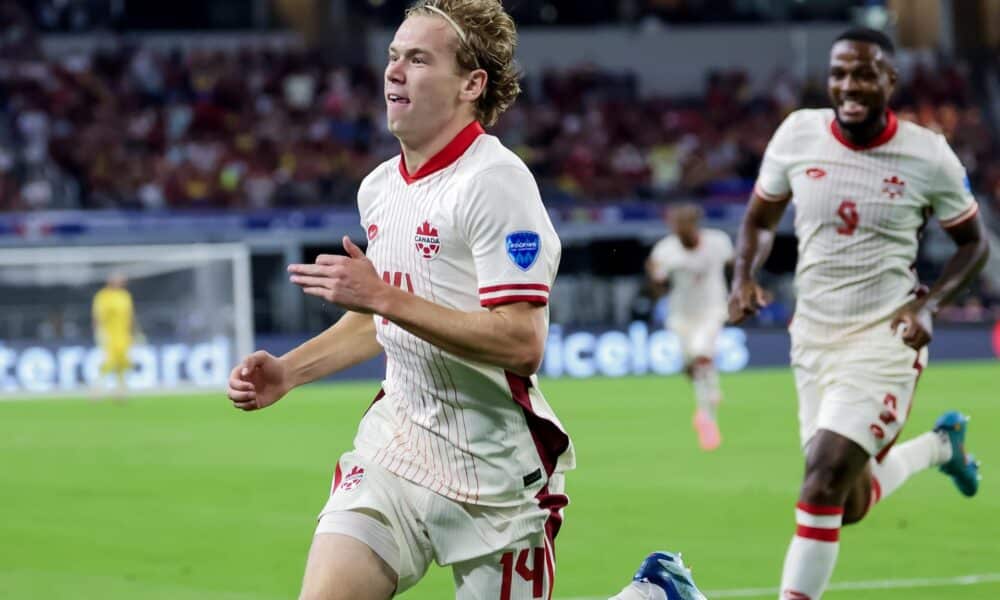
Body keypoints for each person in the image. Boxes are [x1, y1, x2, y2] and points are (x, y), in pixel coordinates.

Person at [227, 2, 687, 598]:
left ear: (472, 84)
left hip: (491, 475)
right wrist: (290, 371)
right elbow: (384, 320)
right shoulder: (380, 188)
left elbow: (522, 342)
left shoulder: (496, 183)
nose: (394, 71)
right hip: (395, 449)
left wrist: (384, 298)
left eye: (418, 59)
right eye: (393, 56)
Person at [729, 28, 989, 600]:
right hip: (813, 337)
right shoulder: (798, 133)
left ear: (889, 82)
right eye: (839, 73)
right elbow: (759, 220)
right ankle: (942, 447)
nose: (850, 85)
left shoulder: (928, 154)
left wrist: (933, 304)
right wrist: (744, 276)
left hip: (885, 335)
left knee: (821, 476)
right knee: (843, 504)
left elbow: (976, 243)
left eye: (865, 73)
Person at [646, 203, 734, 451]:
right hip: (681, 315)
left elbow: (734, 265)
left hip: (712, 310)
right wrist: (656, 279)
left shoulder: (718, 242)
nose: (679, 232)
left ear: (694, 225)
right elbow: (654, 275)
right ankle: (710, 389)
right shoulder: (667, 250)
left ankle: (707, 415)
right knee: (692, 364)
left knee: (701, 352)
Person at [91, 273, 135, 397]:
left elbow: (130, 316)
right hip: (109, 335)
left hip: (123, 335)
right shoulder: (103, 296)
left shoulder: (125, 296)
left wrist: (133, 333)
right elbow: (97, 316)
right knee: (108, 362)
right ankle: (97, 388)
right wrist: (98, 332)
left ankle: (120, 390)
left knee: (123, 362)